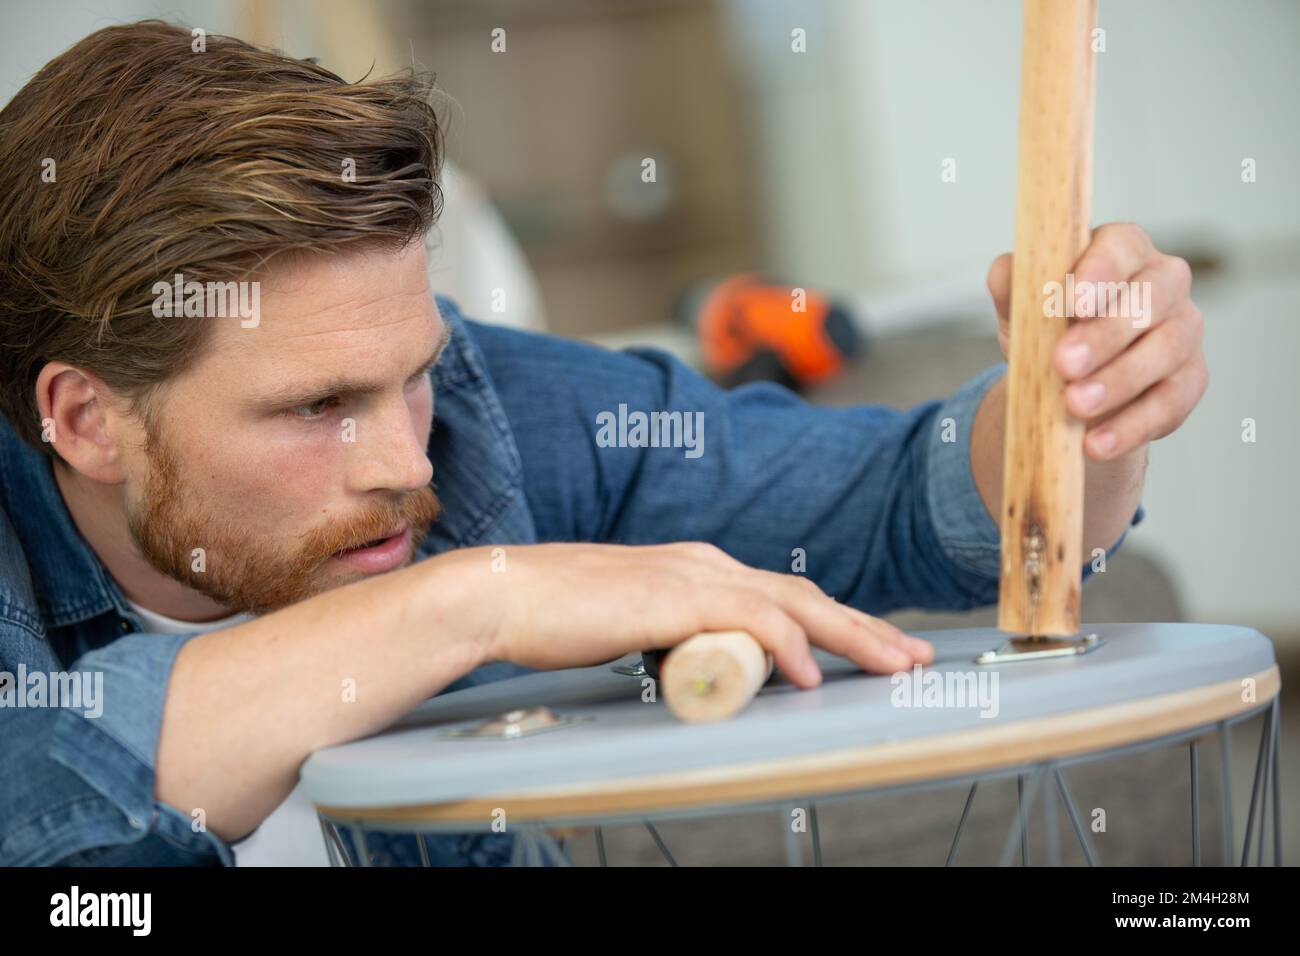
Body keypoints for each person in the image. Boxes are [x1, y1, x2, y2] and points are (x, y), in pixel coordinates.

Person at [0, 22, 1205, 866]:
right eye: (317, 406)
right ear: (83, 418)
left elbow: (914, 500)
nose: (409, 467)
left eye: (410, 377)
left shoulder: (493, 412)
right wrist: (475, 601)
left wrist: (1084, 406)